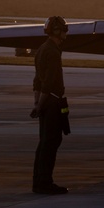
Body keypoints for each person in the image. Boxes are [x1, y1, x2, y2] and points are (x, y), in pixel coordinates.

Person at [31, 15, 69, 195]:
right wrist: (41, 105)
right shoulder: (52, 52)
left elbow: (37, 81)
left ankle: (38, 182)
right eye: (63, 29)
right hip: (52, 102)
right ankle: (45, 182)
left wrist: (37, 103)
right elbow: (47, 83)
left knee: (44, 142)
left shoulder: (41, 49)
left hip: (45, 103)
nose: (65, 33)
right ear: (56, 31)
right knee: (51, 142)